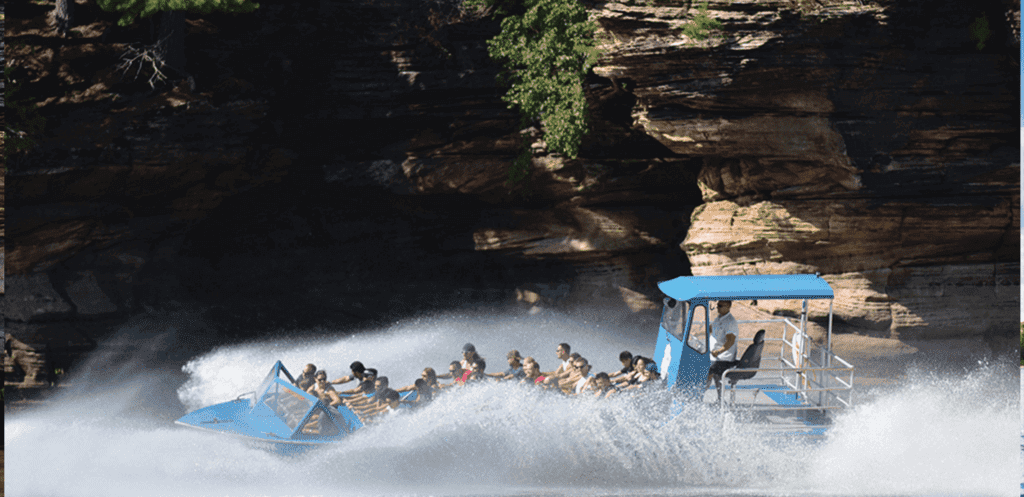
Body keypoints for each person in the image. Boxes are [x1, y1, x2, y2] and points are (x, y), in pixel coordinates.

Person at [707, 300, 739, 401]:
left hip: (724, 358)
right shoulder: (719, 318)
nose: (718, 308)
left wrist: (718, 351)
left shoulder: (730, 322)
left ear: (728, 306)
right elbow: (711, 329)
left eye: (720, 306)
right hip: (715, 356)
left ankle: (698, 395)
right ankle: (720, 399)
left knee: (706, 371)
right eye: (717, 306)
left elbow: (730, 341)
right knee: (714, 373)